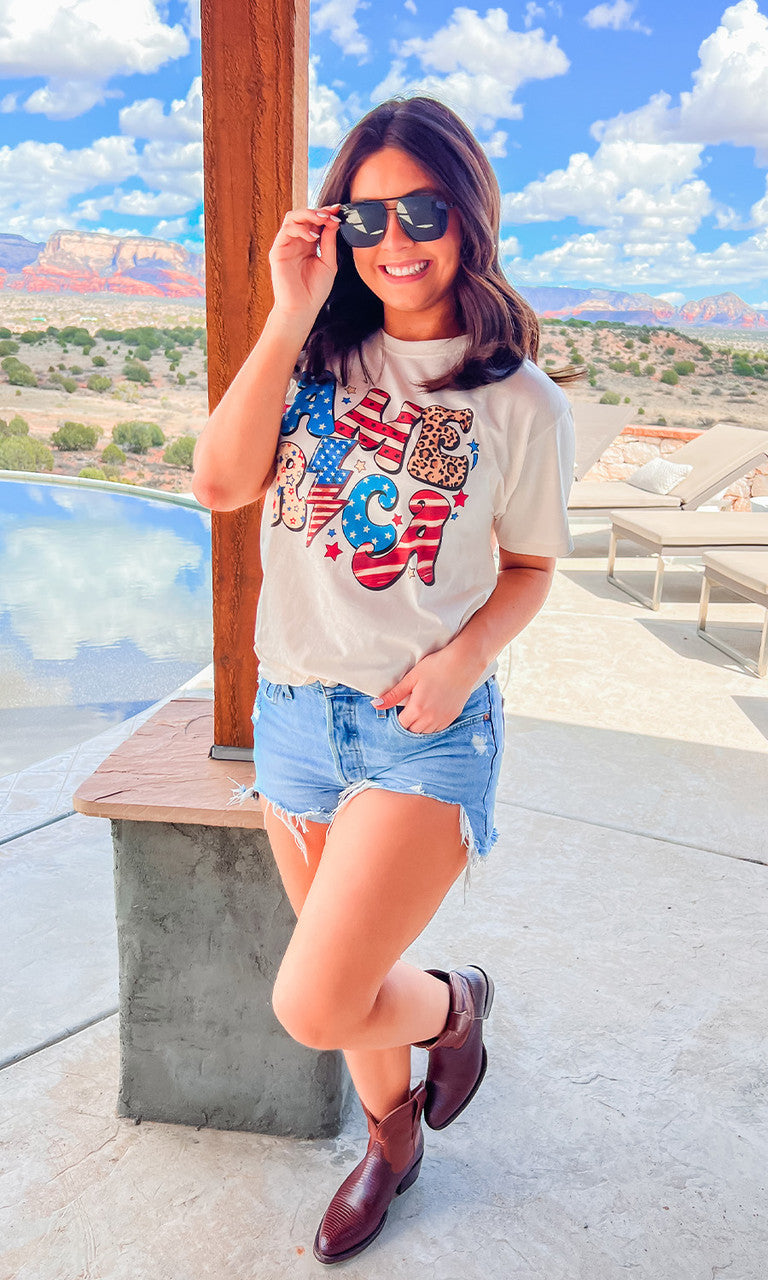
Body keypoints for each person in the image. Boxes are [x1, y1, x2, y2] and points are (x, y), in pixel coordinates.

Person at [192, 95, 578, 1265]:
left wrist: (463, 659)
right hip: (293, 717)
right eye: (367, 217)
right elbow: (219, 484)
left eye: (422, 210)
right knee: (353, 982)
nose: (395, 239)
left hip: (422, 728)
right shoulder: (314, 355)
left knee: (318, 998)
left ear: (468, 215)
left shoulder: (520, 400)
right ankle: (390, 1142)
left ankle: (456, 1003)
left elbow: (528, 569)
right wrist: (287, 311)